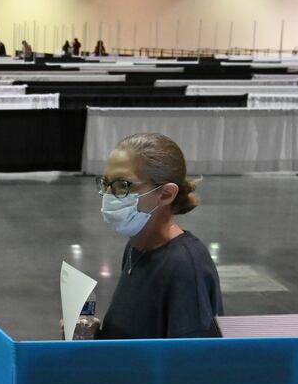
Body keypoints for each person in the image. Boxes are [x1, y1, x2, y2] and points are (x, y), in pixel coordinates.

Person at [76, 133, 223, 340]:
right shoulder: (137, 246)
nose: (108, 196)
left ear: (166, 194)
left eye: (123, 185)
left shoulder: (186, 268)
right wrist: (96, 337)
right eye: (106, 183)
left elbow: (192, 357)